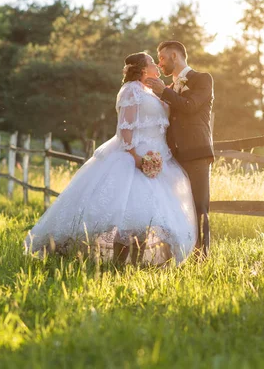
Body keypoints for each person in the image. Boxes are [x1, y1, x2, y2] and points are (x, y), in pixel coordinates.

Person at [24, 52, 197, 265]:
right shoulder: (131, 90)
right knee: (129, 215)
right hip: (135, 157)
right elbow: (126, 127)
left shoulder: (151, 91)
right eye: (153, 61)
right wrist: (136, 158)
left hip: (160, 158)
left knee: (148, 216)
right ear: (143, 69)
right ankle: (117, 261)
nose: (157, 64)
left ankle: (137, 263)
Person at [145, 41, 214, 259]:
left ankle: (201, 257)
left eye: (162, 57)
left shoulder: (202, 79)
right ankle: (176, 255)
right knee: (174, 208)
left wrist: (163, 91)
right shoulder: (170, 88)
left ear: (175, 56)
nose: (159, 63)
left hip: (196, 153)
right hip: (172, 157)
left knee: (199, 206)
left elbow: (190, 106)